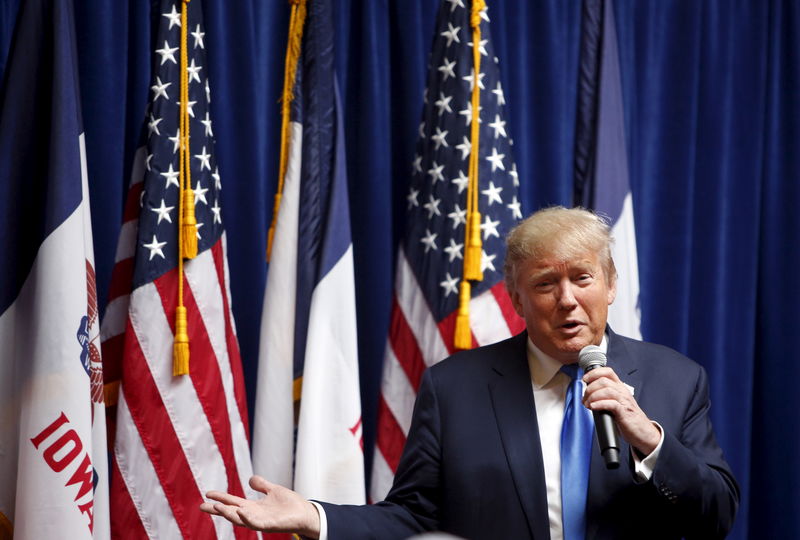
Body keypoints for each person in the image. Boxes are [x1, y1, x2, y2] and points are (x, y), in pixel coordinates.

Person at [201, 206, 739, 539]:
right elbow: (412, 517)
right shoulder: (454, 388)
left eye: (583, 278)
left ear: (612, 285)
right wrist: (315, 517)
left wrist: (649, 440)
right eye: (548, 284)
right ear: (517, 300)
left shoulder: (675, 379)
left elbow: (715, 516)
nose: (569, 301)